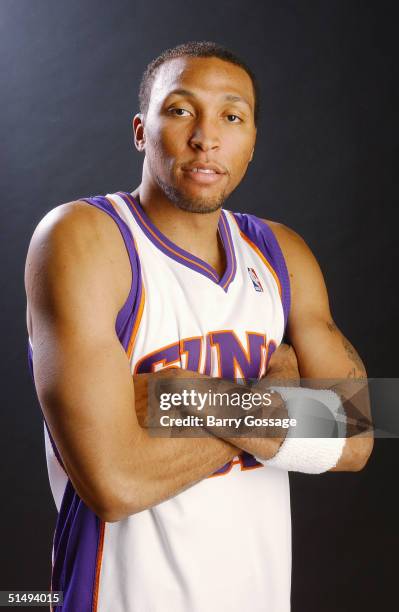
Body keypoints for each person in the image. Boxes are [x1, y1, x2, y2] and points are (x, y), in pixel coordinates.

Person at [25, 41, 373, 612]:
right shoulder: (85, 239)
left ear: (252, 139)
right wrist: (275, 400)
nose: (206, 137)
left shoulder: (280, 252)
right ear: (141, 130)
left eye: (231, 117)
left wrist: (183, 399)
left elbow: (355, 438)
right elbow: (116, 485)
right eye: (181, 110)